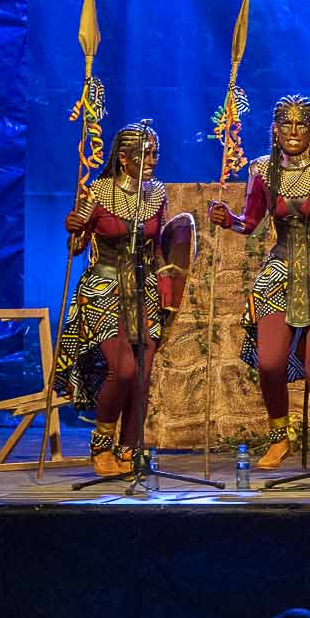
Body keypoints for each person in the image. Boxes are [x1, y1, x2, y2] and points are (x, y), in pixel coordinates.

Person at [209, 96, 310, 470]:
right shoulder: (263, 171)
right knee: (269, 362)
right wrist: (226, 218)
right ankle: (278, 435)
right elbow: (249, 224)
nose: (294, 132)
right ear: (275, 130)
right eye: (286, 124)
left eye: (301, 125)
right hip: (280, 270)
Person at [53, 120, 190, 477]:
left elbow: (161, 246)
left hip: (142, 289)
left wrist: (167, 286)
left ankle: (130, 448)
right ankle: (100, 443)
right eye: (144, 154)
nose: (152, 161)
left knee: (143, 373)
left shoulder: (157, 194)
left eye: (155, 154)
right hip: (103, 287)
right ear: (123, 158)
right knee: (124, 368)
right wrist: (73, 228)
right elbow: (76, 247)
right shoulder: (97, 192)